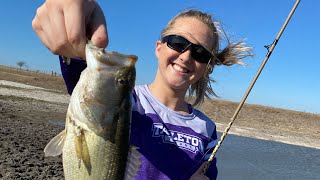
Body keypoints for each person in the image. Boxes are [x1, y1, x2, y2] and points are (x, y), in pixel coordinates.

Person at [32, 0, 252, 179]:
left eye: (200, 53)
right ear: (159, 48)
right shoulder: (128, 102)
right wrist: (80, 11)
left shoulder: (206, 129)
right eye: (177, 42)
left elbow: (208, 175)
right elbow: (75, 51)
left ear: (207, 66)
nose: (186, 56)